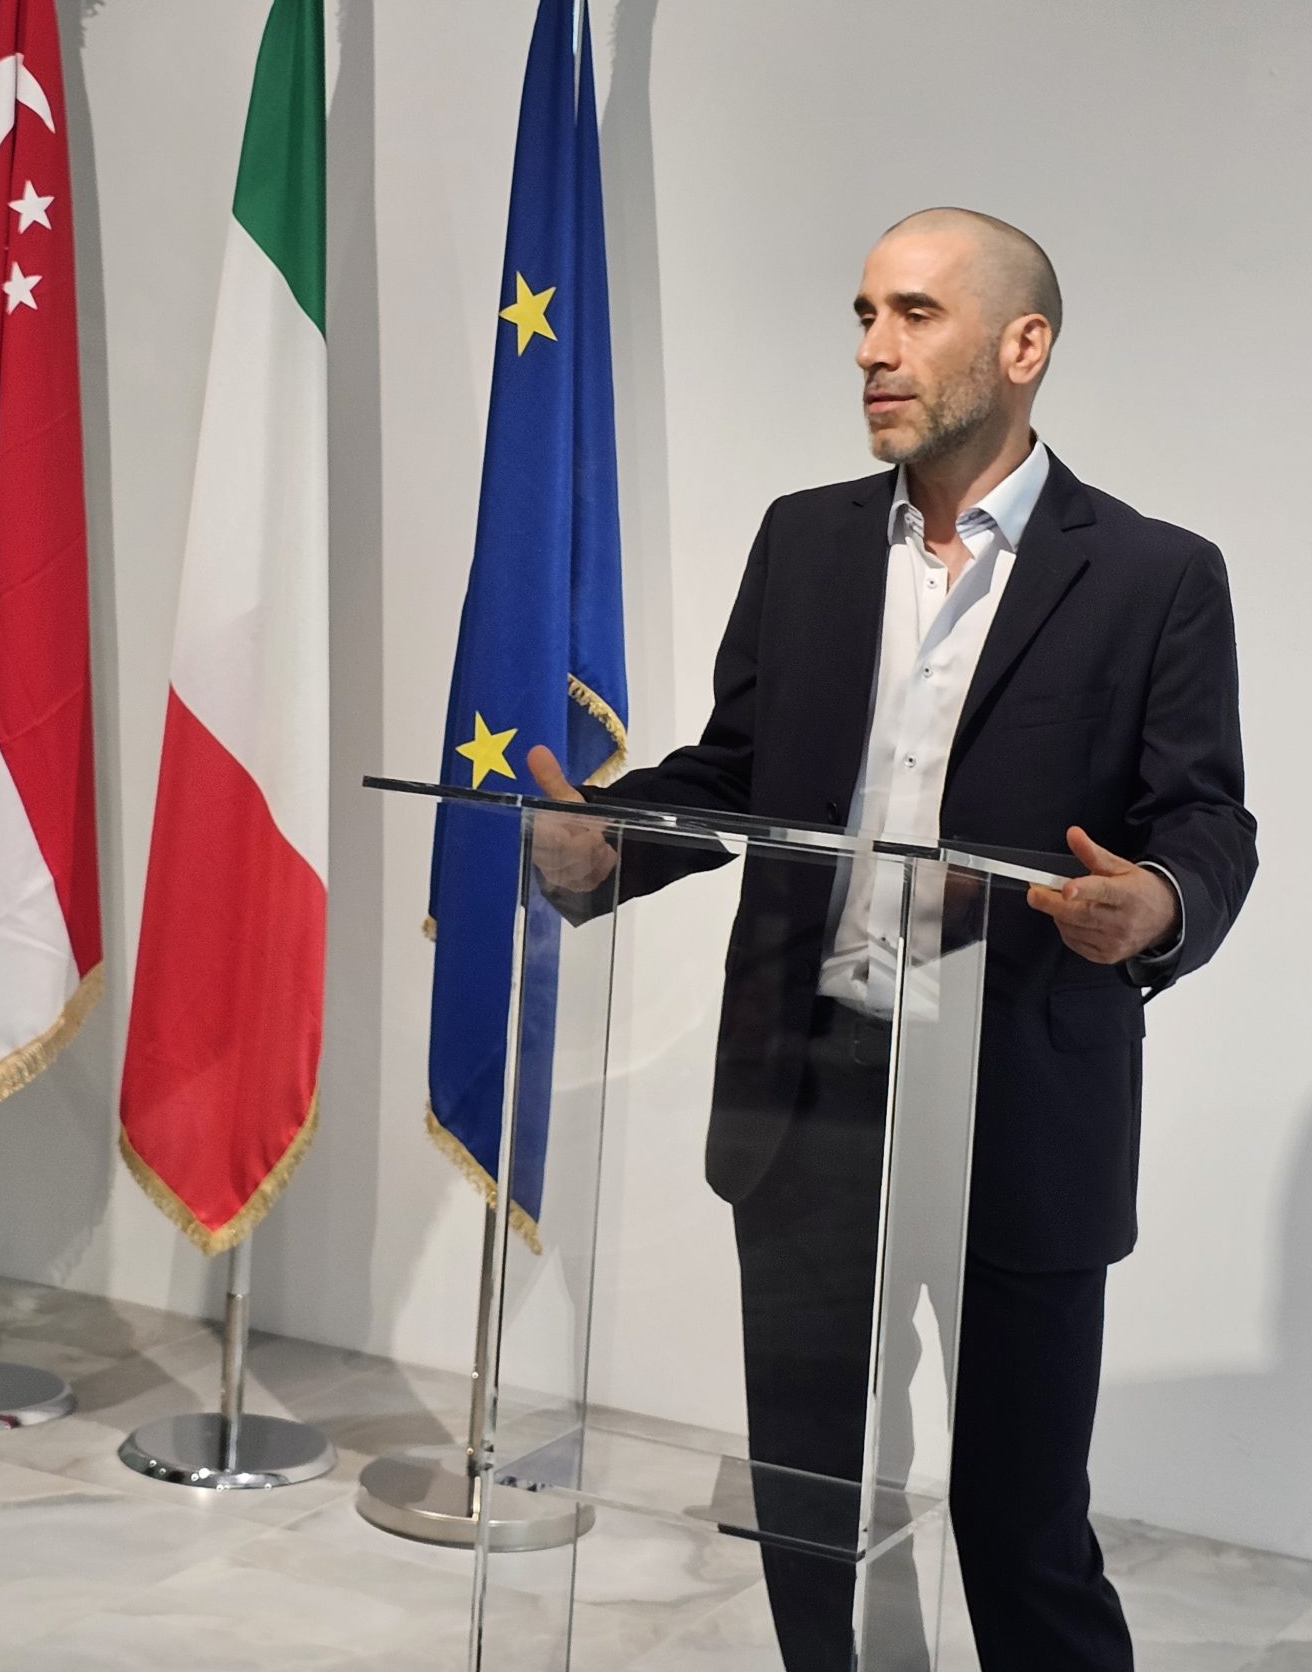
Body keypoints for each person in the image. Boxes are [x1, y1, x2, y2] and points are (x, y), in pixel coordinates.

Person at [525, 208, 1257, 1672]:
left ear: (1022, 345)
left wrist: (1161, 904)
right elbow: (740, 771)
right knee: (807, 1507)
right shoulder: (804, 540)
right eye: (864, 314)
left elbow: (1205, 820)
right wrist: (612, 842)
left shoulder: (1155, 574)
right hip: (807, 1089)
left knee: (1021, 1520)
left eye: (915, 314)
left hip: (1020, 1104)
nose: (873, 348)